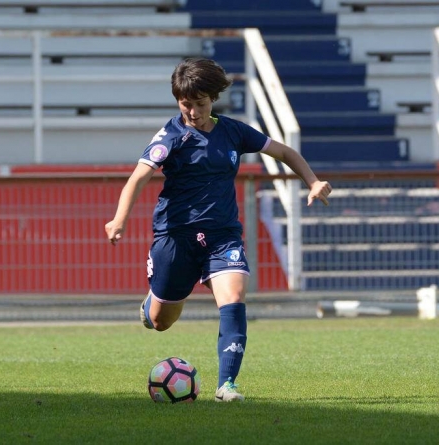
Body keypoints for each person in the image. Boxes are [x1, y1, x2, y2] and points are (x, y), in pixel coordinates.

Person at [105, 57, 332, 402]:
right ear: (177, 101)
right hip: (176, 237)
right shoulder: (171, 136)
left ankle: (226, 385)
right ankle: (154, 301)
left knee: (234, 298)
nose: (193, 112)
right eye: (186, 104)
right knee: (161, 321)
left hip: (223, 235)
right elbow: (139, 177)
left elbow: (284, 152)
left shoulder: (233, 131)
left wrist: (313, 182)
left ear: (213, 99)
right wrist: (120, 218)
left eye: (200, 104)